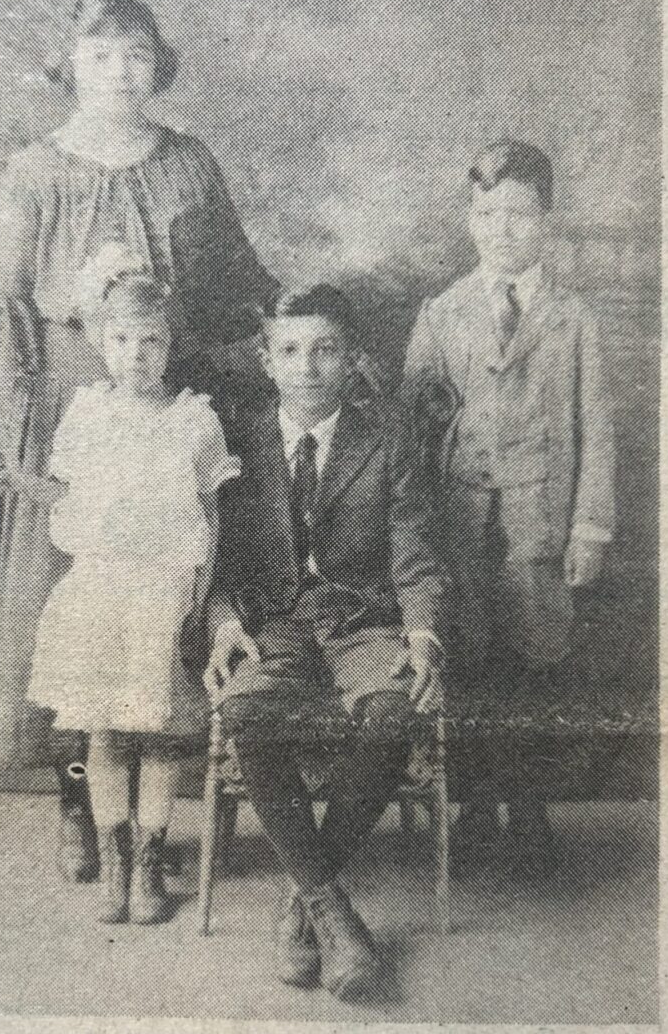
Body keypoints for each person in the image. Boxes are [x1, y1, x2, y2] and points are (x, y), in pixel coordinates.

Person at [0, 0, 276, 883]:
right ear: (72, 66)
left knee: (158, 624)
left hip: (172, 425)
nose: (121, 72)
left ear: (158, 64)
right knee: (75, 633)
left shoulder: (188, 164)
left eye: (138, 54)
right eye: (102, 56)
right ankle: (79, 811)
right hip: (70, 426)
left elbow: (240, 280)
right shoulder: (32, 172)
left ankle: (151, 834)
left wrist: (297, 345)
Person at [202, 285, 446, 1000]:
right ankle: (330, 910)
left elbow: (417, 552)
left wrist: (424, 632)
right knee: (244, 711)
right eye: (290, 350)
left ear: (353, 360)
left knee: (394, 712)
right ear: (267, 360)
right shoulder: (239, 442)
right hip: (272, 623)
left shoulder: (386, 438)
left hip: (362, 617)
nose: (307, 366)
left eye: (326, 349)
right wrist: (223, 622)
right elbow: (214, 561)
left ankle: (306, 900)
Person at [401, 139, 616, 880]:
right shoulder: (442, 313)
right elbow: (415, 434)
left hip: (540, 523)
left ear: (546, 222)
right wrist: (419, 533)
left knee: (532, 658)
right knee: (467, 653)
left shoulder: (573, 317)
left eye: (520, 214)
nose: (503, 230)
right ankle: (473, 804)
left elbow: (597, 429)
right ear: (470, 220)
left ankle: (526, 805)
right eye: (489, 214)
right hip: (460, 524)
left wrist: (590, 526)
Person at [9, 248, 240, 923]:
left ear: (172, 346)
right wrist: (17, 481)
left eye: (151, 341)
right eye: (121, 339)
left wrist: (199, 601)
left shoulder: (194, 419)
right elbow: (67, 496)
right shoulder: (87, 413)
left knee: (159, 735)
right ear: (99, 342)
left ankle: (149, 860)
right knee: (104, 735)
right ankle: (114, 859)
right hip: (98, 590)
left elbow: (213, 516)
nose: (135, 354)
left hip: (163, 593)